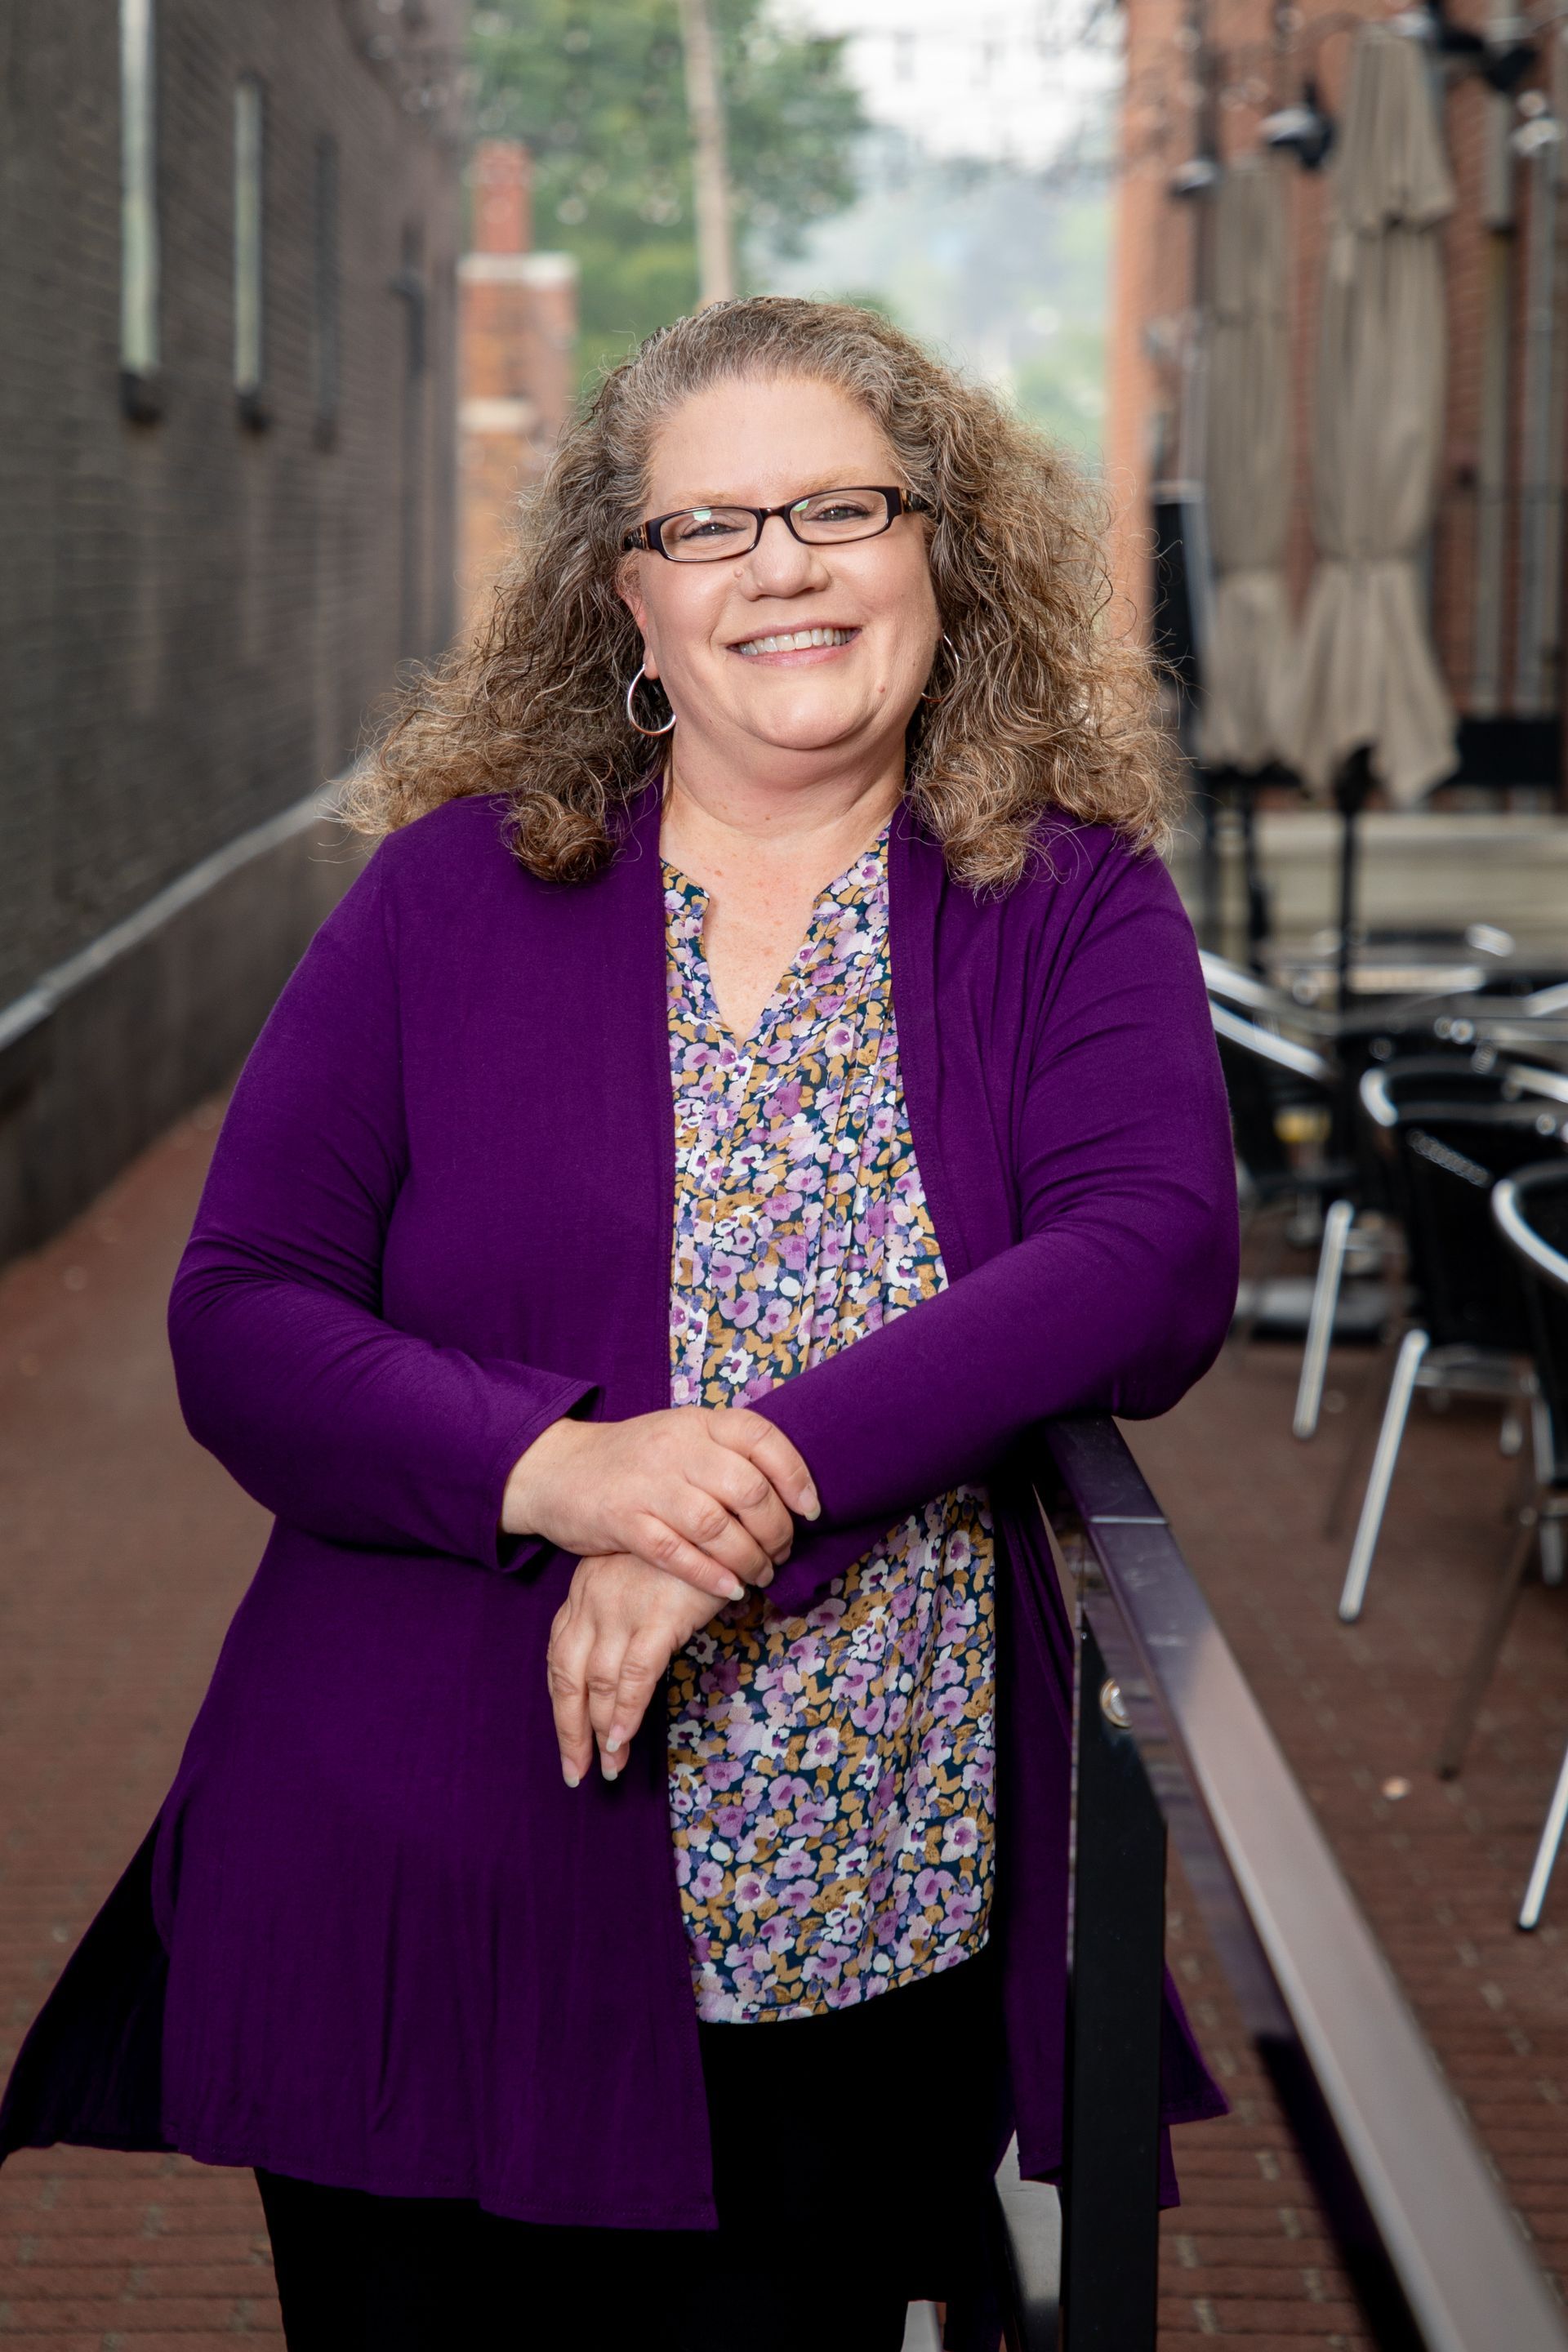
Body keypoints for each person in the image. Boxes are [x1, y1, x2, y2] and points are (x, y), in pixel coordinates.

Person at [0, 297, 1238, 2350]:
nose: (784, 566)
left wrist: (736, 1499)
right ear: (626, 603)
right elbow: (238, 1315)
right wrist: (571, 1468)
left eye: (844, 506)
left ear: (946, 549)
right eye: (709, 528)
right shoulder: (446, 901)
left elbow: (1153, 1254)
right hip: (418, 1875)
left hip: (858, 1900)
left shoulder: (1069, 900)